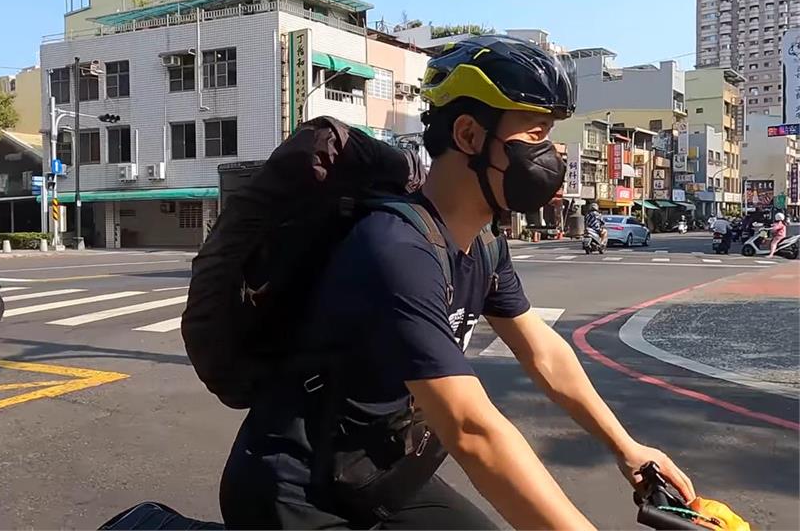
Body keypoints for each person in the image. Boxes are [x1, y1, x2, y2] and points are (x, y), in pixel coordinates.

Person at [219, 36, 693, 530]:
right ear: (469, 135)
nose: (550, 154)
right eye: (535, 135)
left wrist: (628, 448)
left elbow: (543, 354)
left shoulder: (484, 245)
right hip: (295, 489)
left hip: (377, 467)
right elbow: (471, 429)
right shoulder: (396, 249)